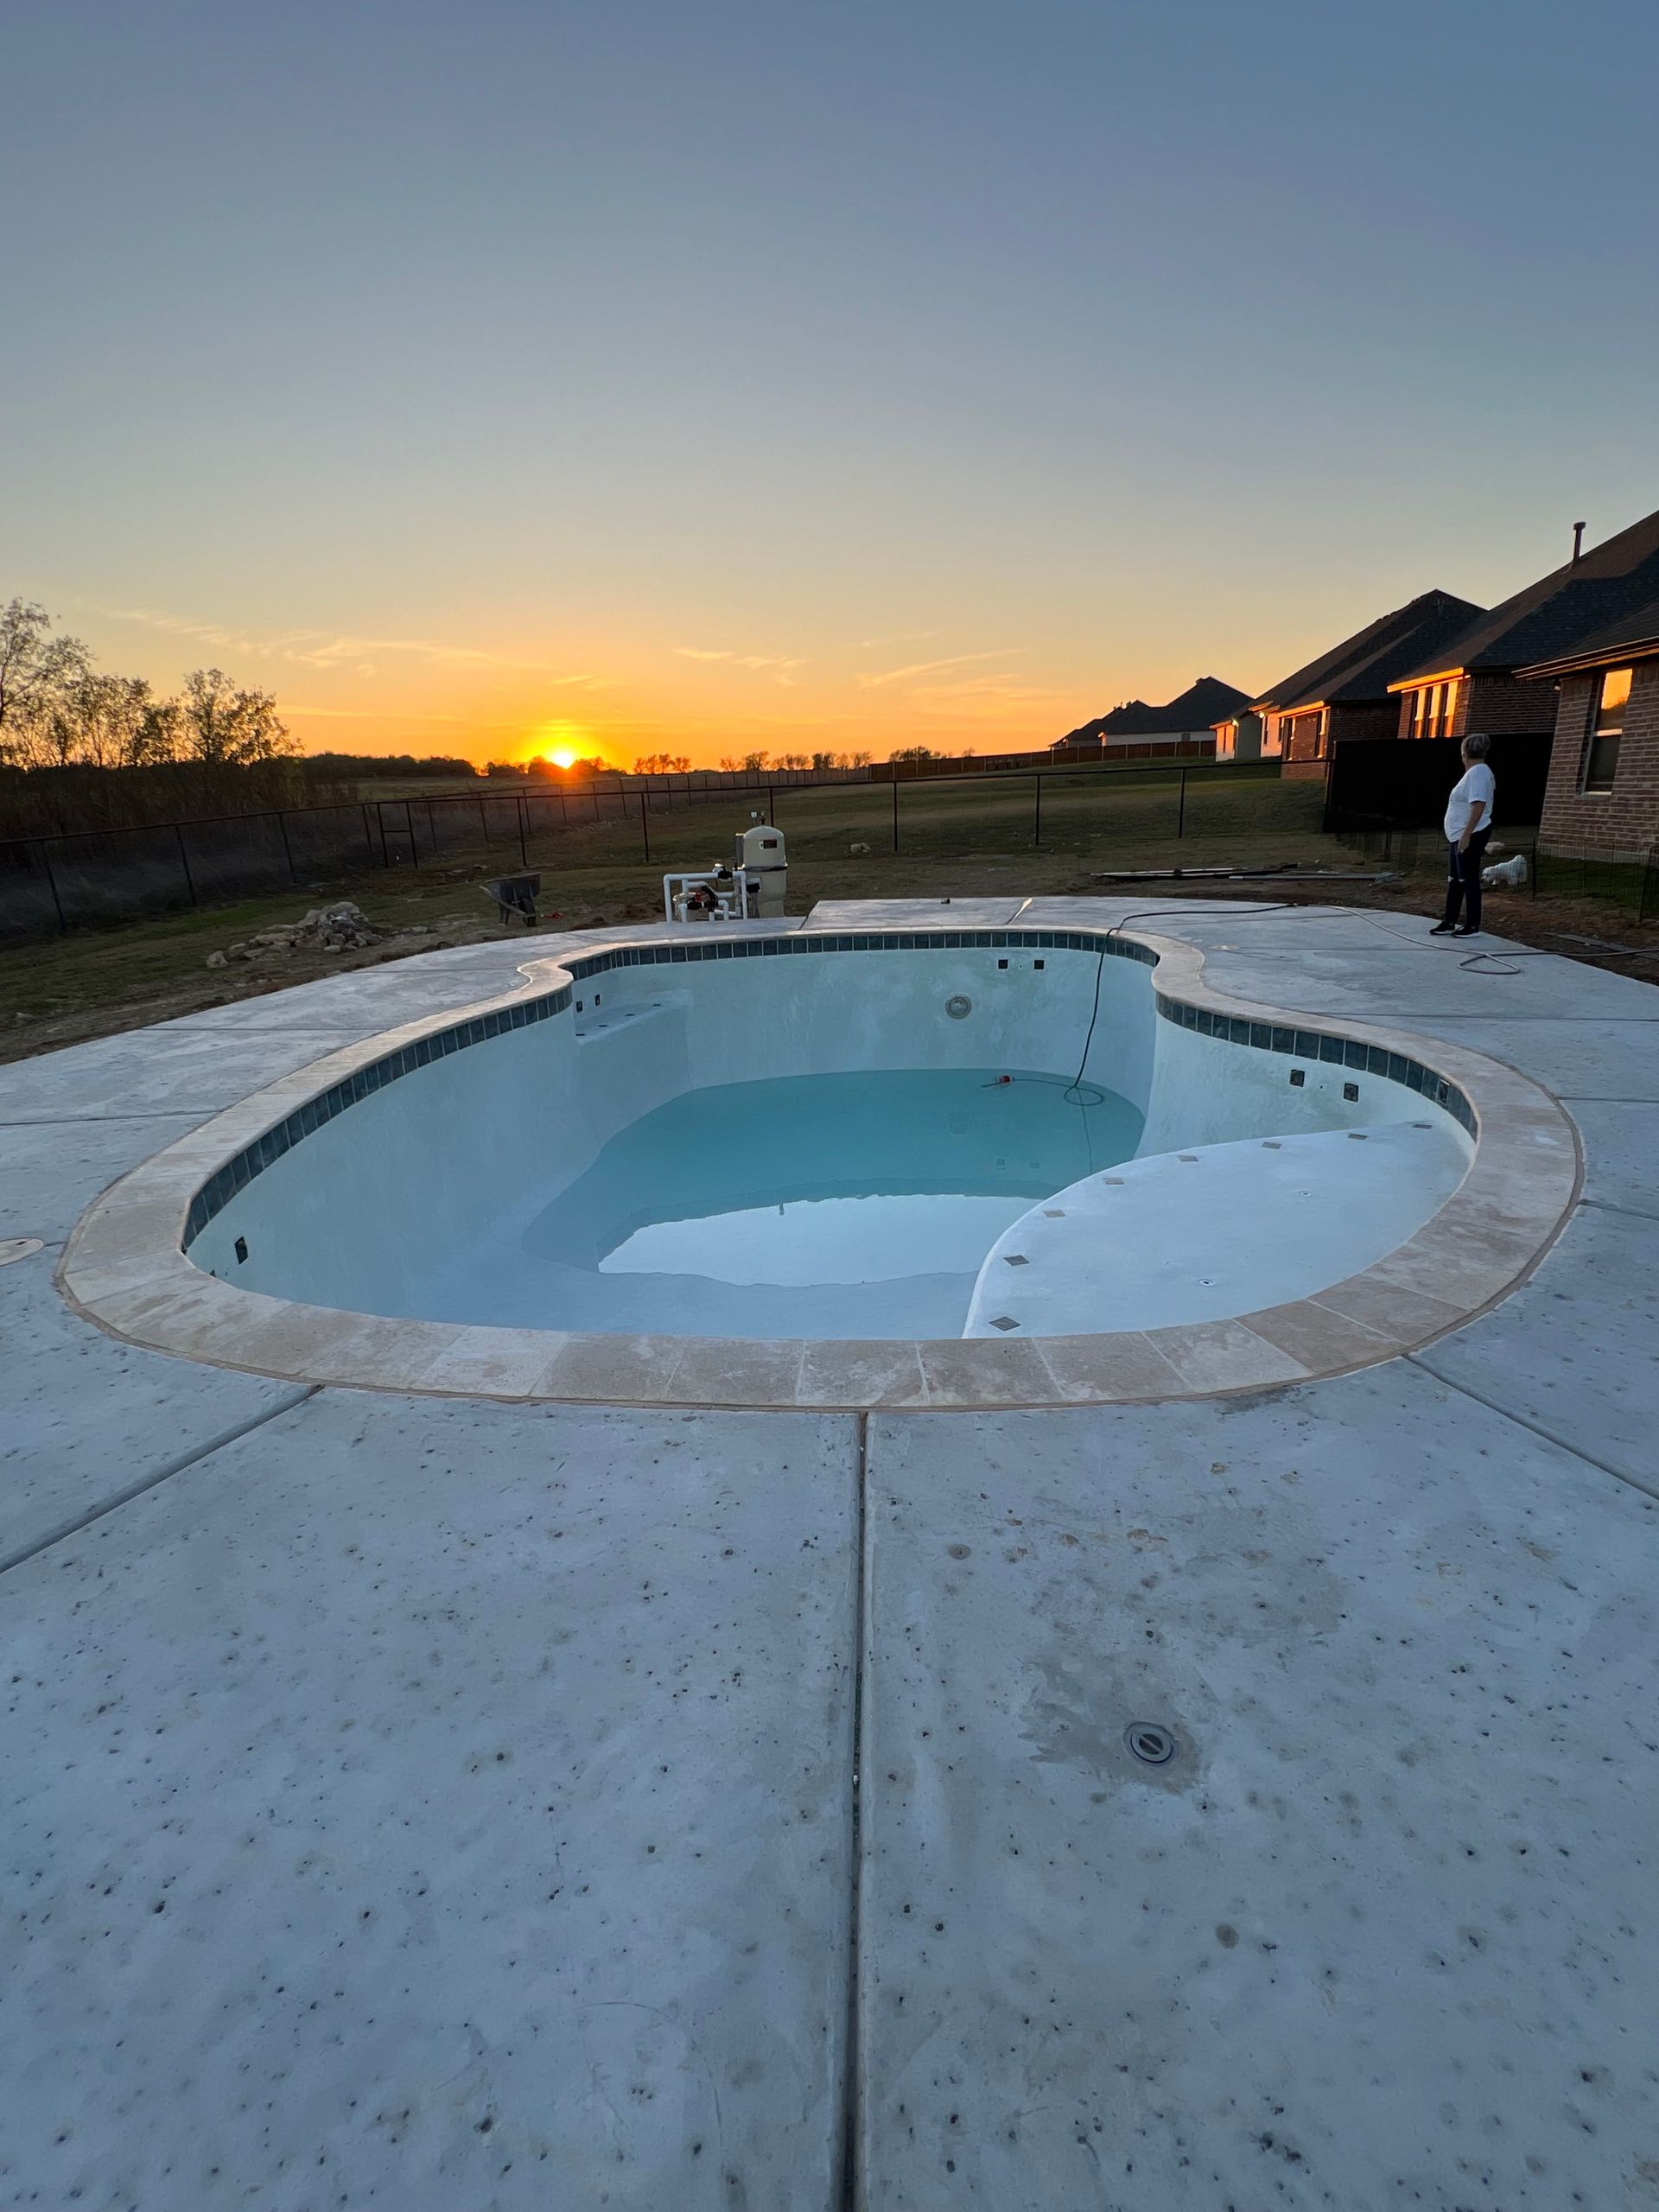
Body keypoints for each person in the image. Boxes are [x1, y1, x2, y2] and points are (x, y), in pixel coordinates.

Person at [1431, 733, 1497, 938]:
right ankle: (1449, 920)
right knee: (1455, 879)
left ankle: (1472, 925)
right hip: (1458, 835)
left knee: (1468, 880)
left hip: (1470, 834)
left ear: (1464, 753)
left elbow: (1478, 805)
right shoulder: (1476, 773)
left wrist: (1467, 835)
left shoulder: (1478, 773)